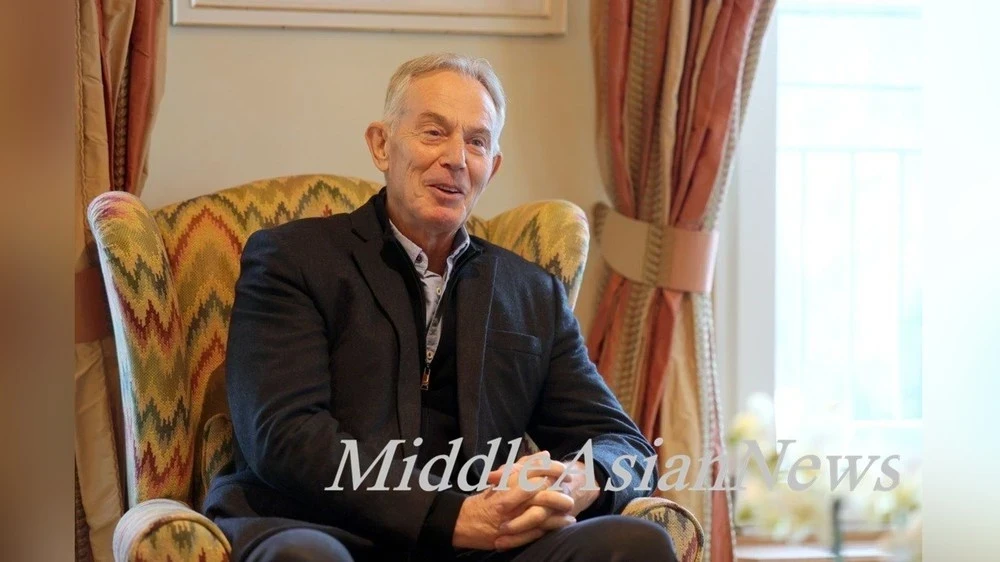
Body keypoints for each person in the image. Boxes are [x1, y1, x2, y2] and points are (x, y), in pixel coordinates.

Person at [203, 53, 677, 562]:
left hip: (484, 543)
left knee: (636, 543)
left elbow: (623, 444)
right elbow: (285, 436)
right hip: (323, 527)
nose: (456, 158)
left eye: (477, 142)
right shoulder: (292, 259)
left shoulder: (531, 293)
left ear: (492, 167)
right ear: (381, 145)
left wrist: (579, 479)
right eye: (434, 132)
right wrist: (449, 517)